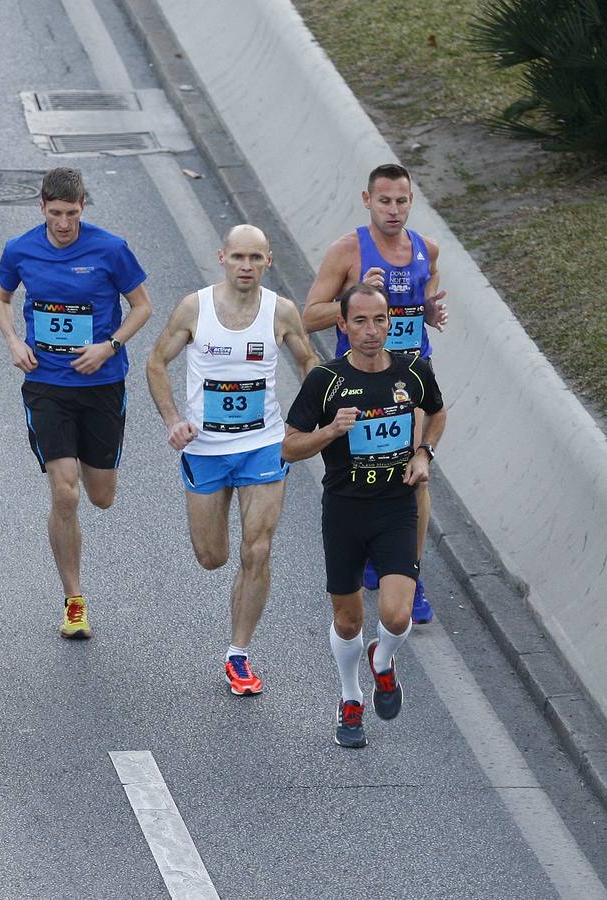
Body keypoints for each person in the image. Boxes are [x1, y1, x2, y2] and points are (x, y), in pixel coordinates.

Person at [145, 225, 317, 694]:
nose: (246, 266)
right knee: (212, 556)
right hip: (205, 449)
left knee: (256, 550)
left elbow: (308, 362)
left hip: (262, 443)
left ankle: (238, 654)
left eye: (255, 258)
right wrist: (173, 420)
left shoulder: (281, 311)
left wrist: (303, 418)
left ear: (268, 261)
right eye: (238, 257)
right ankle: (235, 637)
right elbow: (156, 362)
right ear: (222, 258)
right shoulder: (194, 308)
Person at [283, 283, 447, 748]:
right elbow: (289, 445)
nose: (371, 331)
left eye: (379, 320)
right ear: (342, 324)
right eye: (360, 321)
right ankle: (350, 695)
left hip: (396, 507)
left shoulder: (413, 371)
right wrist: (331, 430)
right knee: (349, 620)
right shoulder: (326, 381)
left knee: (395, 616)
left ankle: (383, 660)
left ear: (390, 322)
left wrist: (423, 453)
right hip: (344, 510)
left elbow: (436, 413)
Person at [0, 167, 152, 639]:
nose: (64, 223)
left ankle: (83, 462)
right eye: (56, 213)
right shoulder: (20, 250)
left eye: (72, 213)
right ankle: (74, 600)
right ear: (42, 208)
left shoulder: (110, 249)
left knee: (101, 496)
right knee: (65, 491)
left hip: (102, 384)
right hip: (47, 384)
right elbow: (2, 300)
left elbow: (141, 306)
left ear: (84, 207)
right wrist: (13, 341)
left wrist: (111, 345)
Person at [303, 163, 449, 624]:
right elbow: (310, 315)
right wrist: (357, 293)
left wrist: (427, 312)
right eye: (384, 201)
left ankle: (410, 571)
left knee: (415, 474)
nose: (393, 210)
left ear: (411, 201)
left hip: (412, 379)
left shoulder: (427, 248)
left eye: (401, 201)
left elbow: (420, 299)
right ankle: (366, 552)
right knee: (361, 471)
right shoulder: (348, 251)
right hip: (358, 382)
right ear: (368, 201)